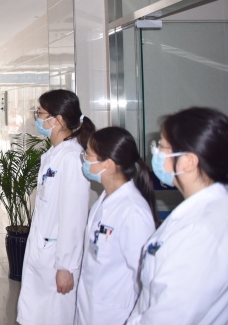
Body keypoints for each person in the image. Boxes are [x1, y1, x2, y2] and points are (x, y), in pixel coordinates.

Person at [127, 107, 228, 324]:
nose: (155, 153)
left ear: (188, 162)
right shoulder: (207, 210)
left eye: (162, 146)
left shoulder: (202, 230)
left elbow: (169, 315)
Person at [16, 89, 94, 325]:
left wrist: (66, 266)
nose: (36, 118)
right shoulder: (53, 154)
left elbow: (74, 217)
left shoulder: (71, 158)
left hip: (57, 258)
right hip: (42, 251)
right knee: (36, 314)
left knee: (55, 316)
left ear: (58, 119)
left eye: (40, 113)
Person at [75, 127, 157, 325]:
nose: (84, 159)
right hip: (90, 307)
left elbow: (145, 276)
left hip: (115, 314)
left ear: (108, 164)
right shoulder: (103, 200)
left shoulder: (133, 212)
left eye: (88, 154)